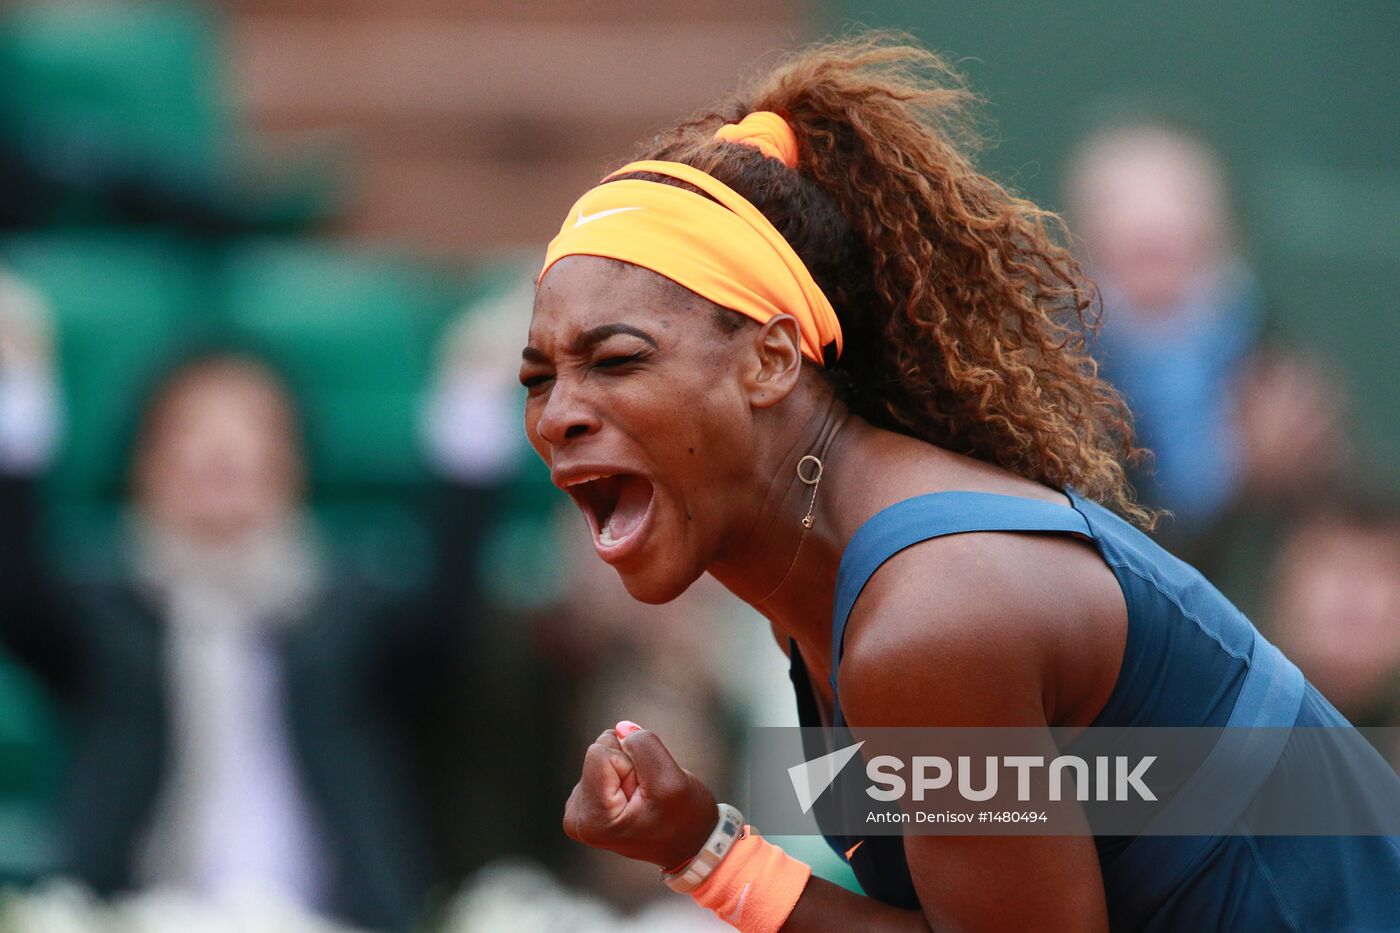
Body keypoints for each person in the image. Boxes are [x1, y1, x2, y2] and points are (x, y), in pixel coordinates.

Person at [518, 36, 1400, 931]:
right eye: (539, 378)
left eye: (617, 359)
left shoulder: (932, 616)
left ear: (772, 360)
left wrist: (712, 856)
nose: (559, 415)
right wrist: (703, 846)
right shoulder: (842, 586)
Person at [0, 350, 431, 931]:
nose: (221, 450)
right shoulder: (103, 612)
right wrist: (19, 382)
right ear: (145, 461)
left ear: (292, 461)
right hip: (139, 912)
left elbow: (446, 611)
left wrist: (472, 395)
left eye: (251, 429)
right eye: (191, 429)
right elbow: (19, 589)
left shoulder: (348, 608)